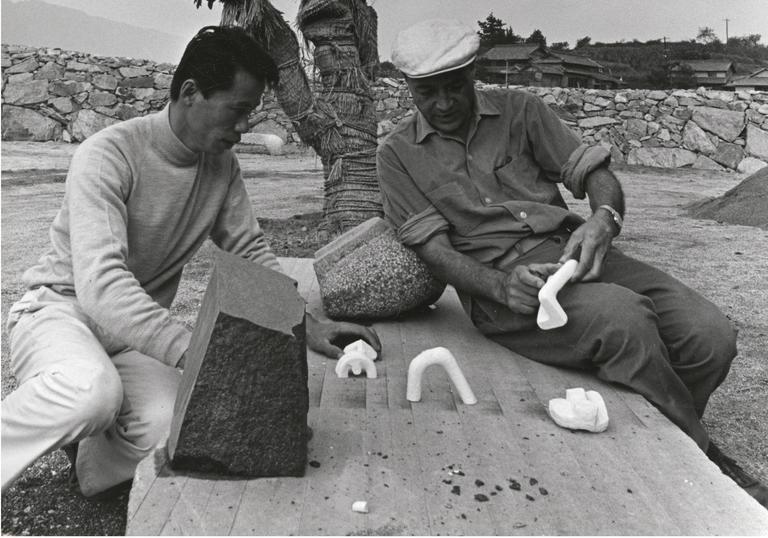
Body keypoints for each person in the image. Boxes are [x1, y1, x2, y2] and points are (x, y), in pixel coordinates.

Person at [377, 18, 767, 507]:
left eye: (454, 87)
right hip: (503, 289)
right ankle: (706, 463)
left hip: (570, 253)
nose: (443, 104)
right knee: (625, 322)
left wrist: (604, 218)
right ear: (409, 88)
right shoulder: (395, 154)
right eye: (426, 93)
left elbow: (594, 172)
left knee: (710, 335)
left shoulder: (522, 109)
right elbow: (434, 253)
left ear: (473, 72)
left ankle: (668, 439)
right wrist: (500, 287)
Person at [1, 25, 380, 498]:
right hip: (61, 312)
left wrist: (305, 323)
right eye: (238, 111)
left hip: (128, 337)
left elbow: (249, 250)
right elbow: (102, 287)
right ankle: (79, 410)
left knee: (180, 426)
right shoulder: (108, 155)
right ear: (190, 93)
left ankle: (90, 466)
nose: (245, 129)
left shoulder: (220, 167)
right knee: (88, 394)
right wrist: (197, 354)